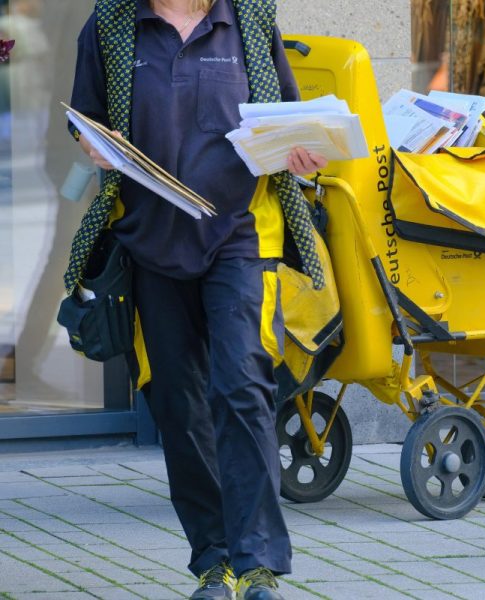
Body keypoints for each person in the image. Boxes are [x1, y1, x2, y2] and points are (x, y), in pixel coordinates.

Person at [67, 0, 327, 599]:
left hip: (239, 234)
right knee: (179, 405)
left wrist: (302, 151)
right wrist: (93, 144)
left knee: (242, 386)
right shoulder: (110, 24)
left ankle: (257, 563)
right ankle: (214, 562)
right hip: (151, 239)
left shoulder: (250, 19)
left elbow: (286, 119)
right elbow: (85, 120)